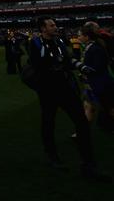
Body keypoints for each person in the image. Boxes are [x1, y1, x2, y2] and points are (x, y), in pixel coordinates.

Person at [28, 17, 108, 180]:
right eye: (51, 25)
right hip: (48, 90)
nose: (55, 27)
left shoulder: (59, 42)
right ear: (43, 29)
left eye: (55, 24)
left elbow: (67, 59)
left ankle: (88, 165)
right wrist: (57, 62)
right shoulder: (36, 43)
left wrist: (81, 66)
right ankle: (52, 156)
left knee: (82, 123)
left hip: (65, 88)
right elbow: (38, 63)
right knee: (48, 122)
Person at [79, 21, 114, 131]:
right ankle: (82, 132)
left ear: (87, 36)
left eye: (80, 35)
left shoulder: (95, 47)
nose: (78, 37)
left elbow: (96, 69)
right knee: (90, 106)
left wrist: (81, 67)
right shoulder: (91, 46)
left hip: (101, 83)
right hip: (94, 83)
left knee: (109, 107)